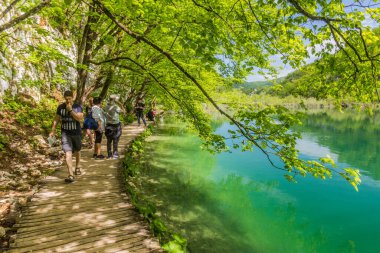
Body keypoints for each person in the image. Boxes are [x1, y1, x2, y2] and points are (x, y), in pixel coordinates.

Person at [50, 90, 84, 183]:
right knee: (67, 152)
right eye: (66, 99)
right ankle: (70, 174)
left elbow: (79, 118)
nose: (68, 100)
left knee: (77, 150)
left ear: (72, 98)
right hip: (65, 133)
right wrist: (52, 130)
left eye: (69, 98)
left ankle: (77, 167)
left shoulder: (77, 106)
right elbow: (56, 119)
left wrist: (70, 110)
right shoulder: (60, 107)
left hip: (76, 132)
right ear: (64, 98)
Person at [104, 94, 125, 159]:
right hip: (116, 125)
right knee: (115, 140)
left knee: (109, 141)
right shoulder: (116, 107)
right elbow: (124, 112)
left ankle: (109, 155)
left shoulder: (106, 107)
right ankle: (115, 155)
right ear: (115, 100)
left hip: (108, 125)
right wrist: (120, 104)